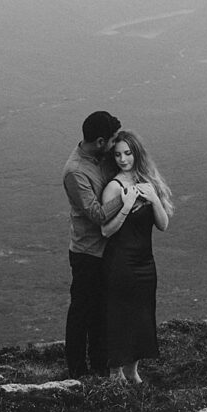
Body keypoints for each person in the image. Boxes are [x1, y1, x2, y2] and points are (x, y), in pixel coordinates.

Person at [98, 128, 173, 385]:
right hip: (120, 263)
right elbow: (105, 230)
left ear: (136, 154)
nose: (123, 159)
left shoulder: (148, 183)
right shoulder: (113, 187)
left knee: (142, 316)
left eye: (128, 153)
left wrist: (153, 199)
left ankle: (132, 372)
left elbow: (162, 225)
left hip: (145, 263)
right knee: (120, 317)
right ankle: (114, 374)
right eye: (118, 154)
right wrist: (126, 207)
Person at [61, 110, 126, 377]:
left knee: (101, 310)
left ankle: (99, 366)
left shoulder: (101, 156)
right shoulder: (75, 172)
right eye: (111, 141)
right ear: (100, 141)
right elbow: (97, 214)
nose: (114, 146)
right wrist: (126, 196)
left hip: (106, 249)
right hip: (87, 253)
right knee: (81, 313)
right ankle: (77, 371)